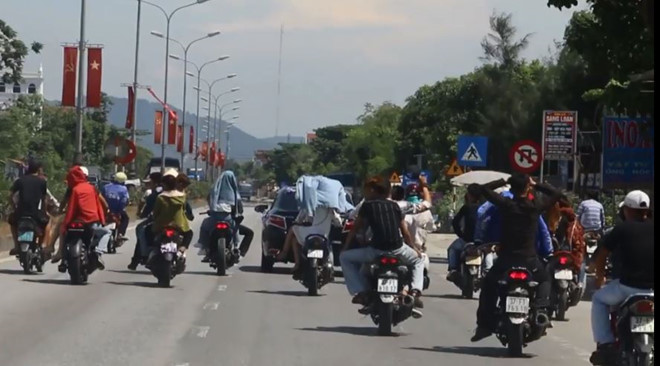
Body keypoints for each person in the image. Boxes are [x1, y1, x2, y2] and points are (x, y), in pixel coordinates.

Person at [471, 173, 562, 342]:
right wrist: (536, 185)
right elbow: (556, 194)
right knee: (544, 279)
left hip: (506, 259)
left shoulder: (506, 204)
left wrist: (503, 181)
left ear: (511, 188)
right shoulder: (535, 206)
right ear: (527, 188)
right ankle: (541, 309)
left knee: (489, 284)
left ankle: (485, 325)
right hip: (529, 259)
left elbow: (484, 189)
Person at [588, 190, 654, 365]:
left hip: (628, 288)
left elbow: (602, 253)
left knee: (599, 299)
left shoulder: (622, 228)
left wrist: (599, 277)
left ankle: (606, 344)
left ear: (627, 210)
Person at [340, 176, 425, 310]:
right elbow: (405, 232)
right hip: (398, 249)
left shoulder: (367, 206)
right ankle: (415, 291)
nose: (365, 193)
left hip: (376, 251)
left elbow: (356, 228)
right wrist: (414, 248)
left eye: (366, 190)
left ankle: (361, 293)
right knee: (419, 260)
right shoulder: (395, 206)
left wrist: (346, 247)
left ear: (373, 191)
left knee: (344, 258)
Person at [275, 175, 351, 277]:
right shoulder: (330, 209)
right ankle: (328, 266)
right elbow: (338, 221)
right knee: (329, 245)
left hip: (309, 234)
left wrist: (299, 222)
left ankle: (289, 256)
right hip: (323, 235)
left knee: (293, 231)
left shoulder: (308, 206)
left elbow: (299, 219)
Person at [473, 187, 553, 274]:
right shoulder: (531, 206)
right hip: (527, 253)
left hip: (500, 248)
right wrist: (548, 251)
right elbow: (543, 229)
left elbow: (481, 214)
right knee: (544, 280)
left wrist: (479, 239)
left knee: (489, 278)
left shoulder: (501, 201)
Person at [60, 165, 110, 271]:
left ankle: (62, 258)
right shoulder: (92, 188)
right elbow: (101, 205)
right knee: (107, 232)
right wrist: (103, 218)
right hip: (91, 221)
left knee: (64, 235)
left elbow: (70, 208)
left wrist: (66, 222)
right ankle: (98, 253)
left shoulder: (73, 189)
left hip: (75, 221)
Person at [198, 170, 245, 262]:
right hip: (229, 220)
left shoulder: (214, 190)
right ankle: (236, 247)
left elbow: (210, 202)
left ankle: (205, 248)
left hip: (214, 220)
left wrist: (212, 210)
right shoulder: (235, 194)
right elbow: (240, 210)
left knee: (204, 227)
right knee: (235, 229)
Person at [8, 160, 49, 256]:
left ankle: (16, 246)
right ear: (38, 169)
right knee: (47, 224)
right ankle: (42, 245)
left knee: (12, 222)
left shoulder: (20, 180)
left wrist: (14, 208)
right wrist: (44, 211)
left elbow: (10, 196)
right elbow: (44, 200)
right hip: (35, 214)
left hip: (21, 213)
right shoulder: (42, 181)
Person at [547, 196, 587, 291]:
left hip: (555, 252)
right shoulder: (573, 220)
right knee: (583, 263)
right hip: (571, 252)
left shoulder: (552, 217)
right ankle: (580, 283)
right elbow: (579, 240)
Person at [150, 169, 192, 259]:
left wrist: (155, 219)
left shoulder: (161, 197)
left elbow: (156, 212)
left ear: (164, 184)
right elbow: (184, 209)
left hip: (162, 224)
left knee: (149, 232)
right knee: (189, 233)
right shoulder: (182, 196)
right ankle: (182, 248)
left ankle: (151, 251)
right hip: (179, 225)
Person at [128, 172, 162, 270]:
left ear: (155, 182)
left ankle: (141, 256)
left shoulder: (155, 193)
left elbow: (148, 206)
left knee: (140, 229)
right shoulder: (171, 191)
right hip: (171, 220)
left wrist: (143, 215)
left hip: (157, 219)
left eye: (150, 181)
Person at [446, 184, 481, 281]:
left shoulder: (466, 207)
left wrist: (460, 234)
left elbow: (455, 222)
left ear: (469, 195)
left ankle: (453, 270)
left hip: (467, 240)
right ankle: (487, 270)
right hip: (483, 241)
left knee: (452, 249)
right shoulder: (485, 208)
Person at [101, 172, 130, 240]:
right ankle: (120, 234)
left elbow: (101, 197)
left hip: (105, 210)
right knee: (125, 219)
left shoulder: (106, 186)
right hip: (118, 211)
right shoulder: (124, 189)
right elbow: (125, 200)